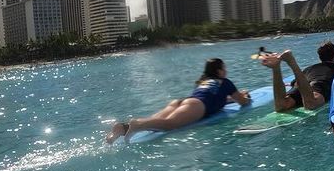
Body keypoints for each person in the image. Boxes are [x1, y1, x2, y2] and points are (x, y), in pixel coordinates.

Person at [105, 58, 250, 143]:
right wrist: (245, 96)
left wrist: (230, 98)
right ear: (219, 71)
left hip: (182, 102)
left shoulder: (204, 81)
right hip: (197, 106)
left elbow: (216, 98)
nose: (226, 70)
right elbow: (243, 102)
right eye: (224, 68)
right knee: (170, 124)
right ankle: (136, 124)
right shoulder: (225, 82)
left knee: (153, 122)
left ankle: (122, 128)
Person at [261, 42, 334, 112]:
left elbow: (294, 82)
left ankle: (276, 68)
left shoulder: (308, 69)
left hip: (302, 83)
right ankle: (292, 62)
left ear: (320, 57)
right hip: (318, 85)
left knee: (282, 106)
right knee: (311, 104)